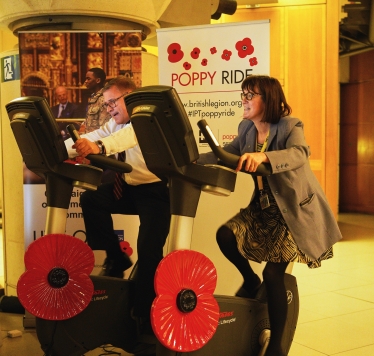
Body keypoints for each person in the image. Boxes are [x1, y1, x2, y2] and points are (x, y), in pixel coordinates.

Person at [198, 75, 342, 356]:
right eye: (243, 94)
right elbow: (228, 153)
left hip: (292, 209)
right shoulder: (246, 128)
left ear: (269, 99)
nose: (244, 99)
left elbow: (299, 154)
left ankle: (276, 344)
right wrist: (192, 158)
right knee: (225, 235)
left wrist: (264, 158)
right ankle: (250, 282)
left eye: (251, 95)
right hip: (262, 206)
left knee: (273, 274)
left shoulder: (289, 125)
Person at [64, 76, 170, 351]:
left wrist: (99, 148)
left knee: (149, 253)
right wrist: (58, 150)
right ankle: (116, 256)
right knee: (92, 200)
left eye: (113, 102)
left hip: (156, 192)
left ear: (130, 98)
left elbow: (125, 138)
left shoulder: (147, 119)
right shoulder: (115, 123)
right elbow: (95, 136)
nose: (109, 108)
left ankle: (145, 319)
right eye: (106, 104)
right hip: (130, 189)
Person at [80, 67, 111, 133]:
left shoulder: (104, 98)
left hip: (97, 139)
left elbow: (104, 126)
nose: (86, 81)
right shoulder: (93, 97)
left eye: (88, 79)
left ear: (98, 80)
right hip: (89, 137)